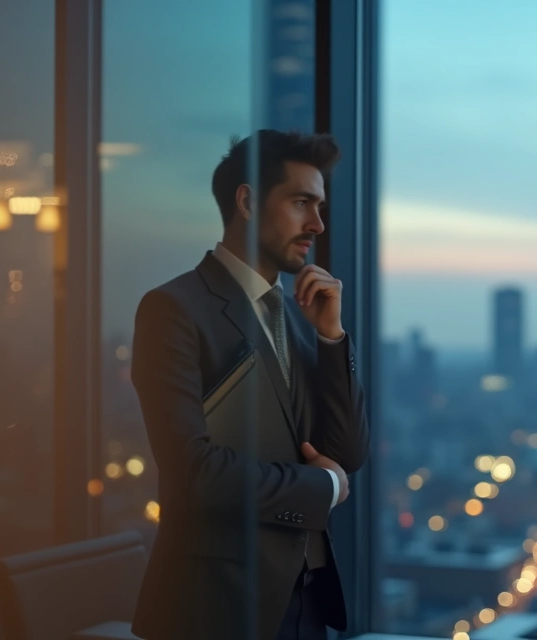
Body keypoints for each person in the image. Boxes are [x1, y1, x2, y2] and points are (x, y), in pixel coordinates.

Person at [129, 130, 369, 640]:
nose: (317, 224)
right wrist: (322, 487)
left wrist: (332, 338)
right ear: (248, 201)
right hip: (216, 608)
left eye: (320, 206)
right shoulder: (174, 310)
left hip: (307, 607)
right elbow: (192, 470)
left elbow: (346, 451)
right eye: (301, 202)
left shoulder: (297, 320)